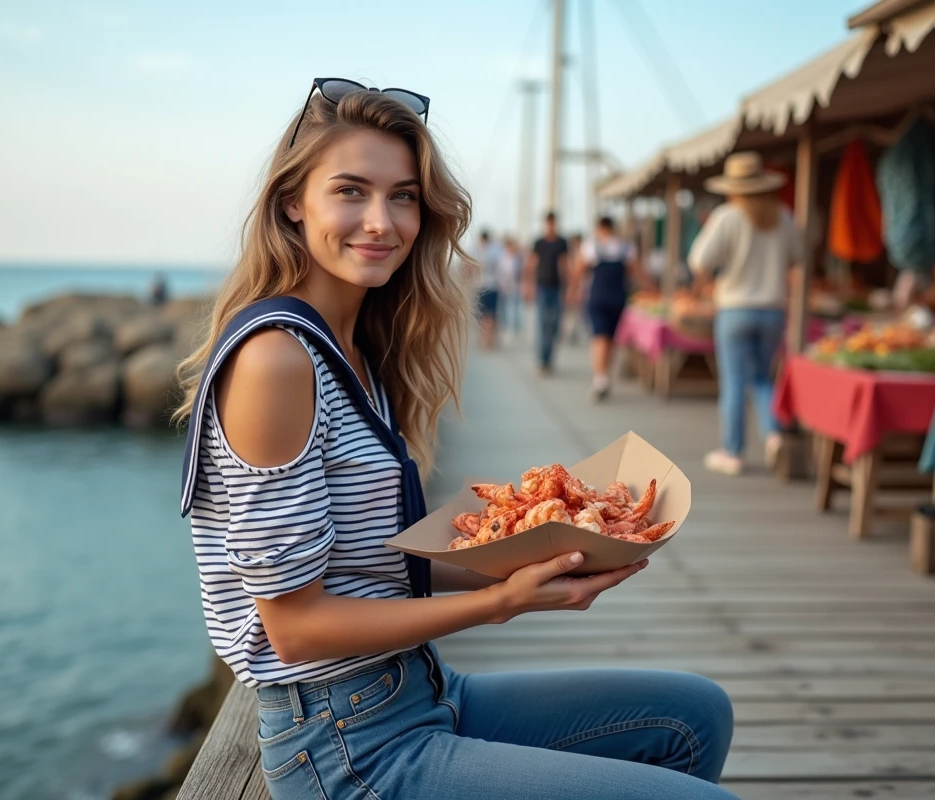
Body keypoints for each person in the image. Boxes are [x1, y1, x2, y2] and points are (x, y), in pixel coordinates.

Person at [173, 80, 737, 800]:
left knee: (695, 716)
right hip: (346, 749)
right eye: (351, 191)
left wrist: (551, 557)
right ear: (292, 203)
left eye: (404, 196)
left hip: (418, 689)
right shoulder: (275, 359)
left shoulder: (352, 348)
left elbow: (367, 562)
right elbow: (296, 629)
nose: (382, 221)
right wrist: (503, 602)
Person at [688, 152, 798, 477]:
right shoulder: (783, 216)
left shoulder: (728, 216)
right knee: (763, 378)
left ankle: (733, 451)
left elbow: (699, 260)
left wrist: (712, 283)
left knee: (734, 381)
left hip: (735, 310)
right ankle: (774, 434)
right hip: (773, 311)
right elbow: (798, 258)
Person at [572, 216, 646, 402]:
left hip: (598, 297)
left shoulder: (591, 246)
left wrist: (573, 291)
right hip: (618, 297)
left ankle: (600, 376)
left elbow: (578, 270)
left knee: (599, 337)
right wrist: (651, 288)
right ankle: (603, 376)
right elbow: (636, 272)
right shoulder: (626, 247)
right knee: (610, 340)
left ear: (599, 228)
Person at [524, 212, 570, 375]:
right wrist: (528, 286)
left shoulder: (562, 243)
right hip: (542, 287)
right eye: (548, 224)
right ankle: (543, 360)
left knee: (555, 324)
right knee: (542, 324)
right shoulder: (539, 243)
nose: (550, 226)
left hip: (557, 288)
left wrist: (568, 289)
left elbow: (565, 266)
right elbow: (531, 265)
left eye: (553, 223)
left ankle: (549, 358)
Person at [472, 229, 502, 349]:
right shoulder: (494, 251)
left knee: (486, 315)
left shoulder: (480, 251)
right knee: (487, 315)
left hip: (487, 286)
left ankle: (487, 339)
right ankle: (488, 339)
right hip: (487, 286)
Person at [498, 235, 525, 339]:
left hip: (515, 286)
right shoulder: (503, 256)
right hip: (504, 286)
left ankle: (515, 328)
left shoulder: (518, 257)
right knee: (506, 308)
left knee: (514, 308)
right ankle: (508, 327)